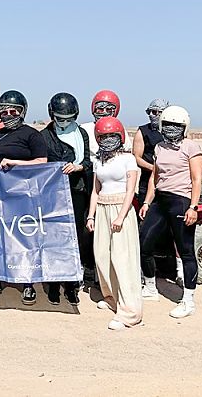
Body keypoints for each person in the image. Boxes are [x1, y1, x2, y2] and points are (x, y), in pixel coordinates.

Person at [139, 106, 202, 319]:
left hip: (181, 201)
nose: (171, 129)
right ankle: (150, 287)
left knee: (186, 250)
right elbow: (154, 177)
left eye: (176, 126)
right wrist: (147, 202)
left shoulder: (191, 147)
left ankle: (188, 300)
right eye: (167, 125)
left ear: (184, 127)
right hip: (160, 200)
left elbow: (196, 179)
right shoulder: (159, 147)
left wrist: (193, 207)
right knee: (144, 242)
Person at [0, 90, 47, 304]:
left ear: (22, 112)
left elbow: (42, 162)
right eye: (5, 111)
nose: (9, 115)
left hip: (23, 197)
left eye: (14, 111)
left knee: (24, 239)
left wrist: (15, 163)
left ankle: (28, 283)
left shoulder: (32, 135)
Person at [86, 117, 142, 330]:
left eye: (112, 135)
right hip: (102, 209)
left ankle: (130, 312)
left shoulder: (128, 159)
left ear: (120, 136)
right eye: (104, 136)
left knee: (122, 258)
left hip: (121, 209)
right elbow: (95, 191)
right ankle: (111, 297)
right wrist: (91, 216)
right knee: (102, 256)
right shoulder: (98, 161)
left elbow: (130, 190)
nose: (108, 139)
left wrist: (120, 216)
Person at [41, 92, 92, 306]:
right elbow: (40, 163)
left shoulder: (82, 134)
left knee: (74, 239)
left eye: (68, 118)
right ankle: (54, 284)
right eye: (60, 118)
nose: (64, 122)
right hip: (53, 195)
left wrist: (78, 167)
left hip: (76, 191)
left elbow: (87, 161)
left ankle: (71, 285)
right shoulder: (45, 135)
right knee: (54, 238)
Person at [133, 98, 183, 287]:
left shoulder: (174, 131)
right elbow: (137, 157)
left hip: (172, 185)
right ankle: (144, 273)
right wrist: (155, 168)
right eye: (151, 112)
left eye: (158, 112)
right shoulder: (143, 131)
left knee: (175, 230)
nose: (154, 115)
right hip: (147, 185)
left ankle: (178, 271)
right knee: (145, 228)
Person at [81, 90, 132, 158]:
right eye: (100, 109)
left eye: (109, 109)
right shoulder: (84, 129)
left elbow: (127, 153)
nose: (104, 112)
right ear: (94, 109)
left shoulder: (119, 130)